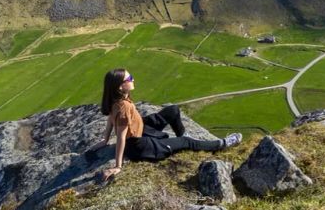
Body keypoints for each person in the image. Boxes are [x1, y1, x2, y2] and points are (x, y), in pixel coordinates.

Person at [89, 68, 242, 181]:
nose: (133, 80)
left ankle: (182, 135)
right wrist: (118, 166)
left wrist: (105, 140)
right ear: (120, 87)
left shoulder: (115, 100)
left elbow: (110, 120)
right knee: (186, 142)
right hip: (139, 145)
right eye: (129, 79)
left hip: (141, 128)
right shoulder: (124, 107)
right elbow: (121, 137)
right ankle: (221, 144)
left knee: (173, 110)